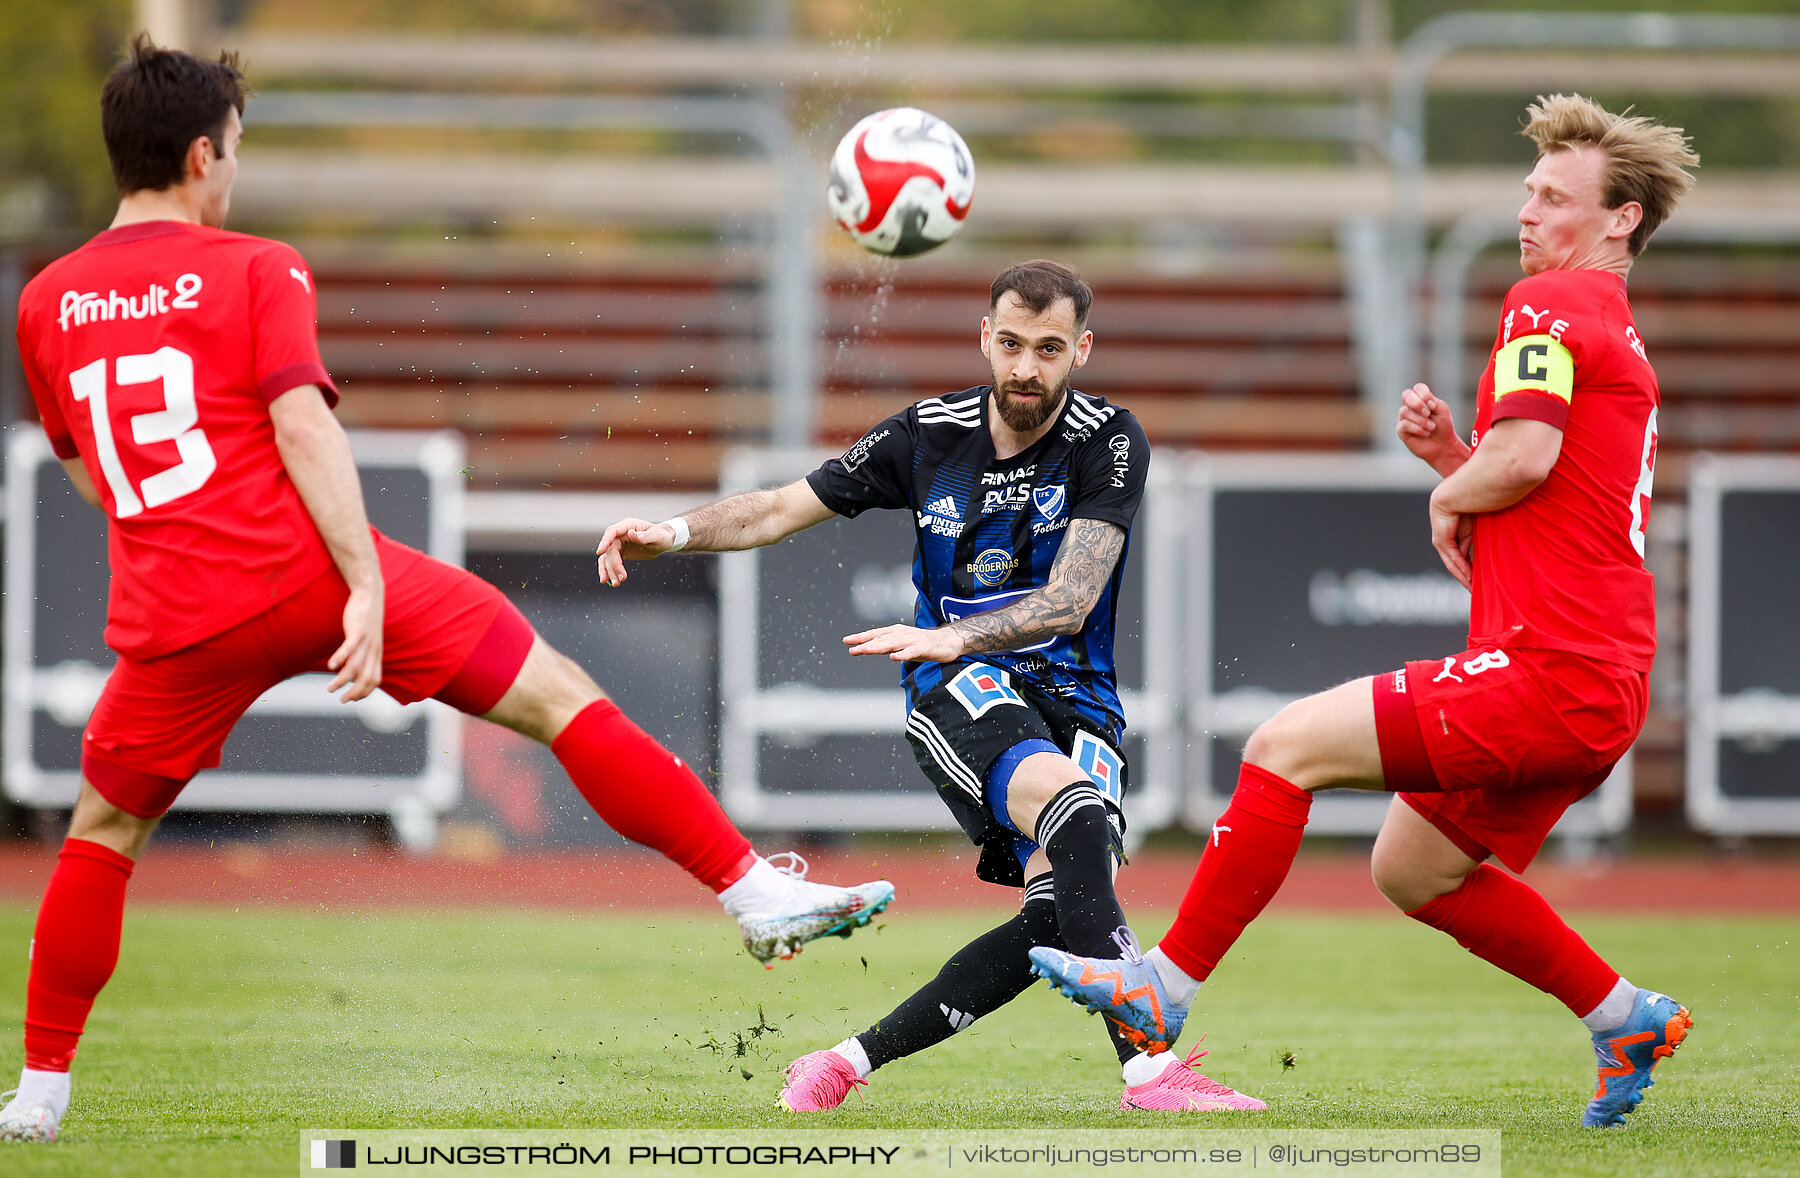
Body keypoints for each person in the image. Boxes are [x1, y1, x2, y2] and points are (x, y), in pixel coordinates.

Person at [0, 38, 893, 1146]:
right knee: (559, 697)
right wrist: (363, 583)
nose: (233, 170)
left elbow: (88, 470)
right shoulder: (255, 265)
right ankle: (750, 888)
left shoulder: (44, 300)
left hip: (175, 615)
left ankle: (39, 1092)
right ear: (198, 155)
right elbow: (301, 424)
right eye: (231, 149)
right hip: (309, 571)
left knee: (102, 834)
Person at [1030, 93, 1700, 1129]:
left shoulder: (1553, 304)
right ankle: (1623, 1014)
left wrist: (1452, 485)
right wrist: (1454, 460)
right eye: (1527, 191)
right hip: (1596, 679)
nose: (1529, 211)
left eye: (1556, 196)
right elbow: (1541, 505)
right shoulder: (1612, 330)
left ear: (1621, 221)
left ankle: (1162, 984)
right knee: (1414, 867)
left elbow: (1526, 459)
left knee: (1282, 744)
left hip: (1553, 671)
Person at [598, 259, 1263, 1113]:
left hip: (1081, 699)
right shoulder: (928, 435)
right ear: (985, 337)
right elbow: (777, 507)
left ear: (1081, 350)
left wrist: (950, 626)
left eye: (1049, 349)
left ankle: (840, 1063)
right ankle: (1149, 1073)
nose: (1027, 367)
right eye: (1013, 343)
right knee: (1077, 813)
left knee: (1056, 919)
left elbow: (1072, 600)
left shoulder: (1109, 439)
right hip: (961, 683)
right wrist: (675, 531)